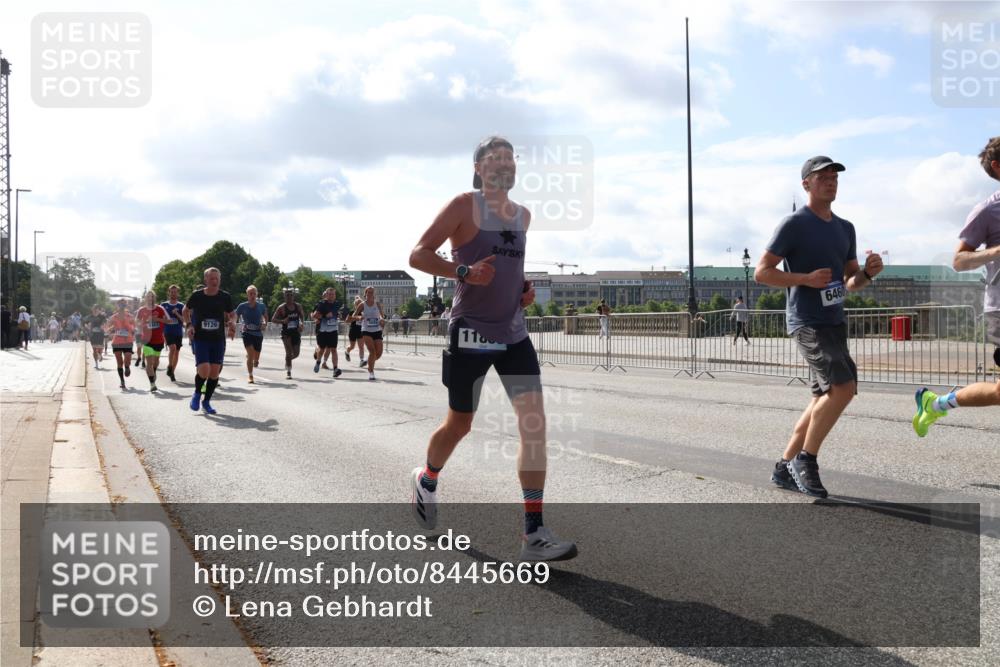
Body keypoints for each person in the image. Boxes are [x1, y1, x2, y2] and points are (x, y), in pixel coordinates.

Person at [407, 135, 577, 562]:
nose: (505, 163)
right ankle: (427, 478)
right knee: (460, 424)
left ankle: (533, 534)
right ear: (479, 168)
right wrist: (463, 271)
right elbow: (418, 255)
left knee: (534, 425)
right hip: (471, 332)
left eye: (510, 158)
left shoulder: (523, 215)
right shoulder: (463, 206)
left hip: (514, 334)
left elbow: (509, 269)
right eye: (495, 157)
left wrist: (523, 290)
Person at [755, 156, 883, 498]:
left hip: (834, 321)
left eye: (834, 176)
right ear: (806, 184)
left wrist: (867, 273)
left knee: (821, 398)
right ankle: (805, 460)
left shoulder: (845, 228)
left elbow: (850, 282)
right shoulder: (794, 224)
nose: (830, 181)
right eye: (822, 176)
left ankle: (784, 467)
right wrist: (805, 279)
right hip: (807, 321)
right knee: (843, 387)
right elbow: (762, 272)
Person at [914, 137, 1000, 435]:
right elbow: (959, 260)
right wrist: (996, 251)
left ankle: (936, 404)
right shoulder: (987, 210)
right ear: (997, 167)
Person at [183, 268, 236, 414]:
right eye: (212, 278)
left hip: (218, 339)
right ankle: (197, 393)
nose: (215, 281)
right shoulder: (197, 296)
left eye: (217, 278)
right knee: (204, 370)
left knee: (214, 373)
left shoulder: (225, 296)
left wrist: (232, 322)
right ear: (206, 279)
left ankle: (206, 401)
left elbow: (232, 314)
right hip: (201, 338)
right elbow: (185, 310)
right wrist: (189, 325)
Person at [136, 291, 169, 392]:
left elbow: (168, 320)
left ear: (154, 298)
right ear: (145, 298)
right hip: (146, 340)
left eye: (152, 297)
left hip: (158, 340)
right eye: (148, 297)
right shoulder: (141, 310)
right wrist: (144, 322)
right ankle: (152, 384)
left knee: (156, 362)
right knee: (149, 363)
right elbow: (136, 322)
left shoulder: (160, 309)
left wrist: (157, 319)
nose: (150, 298)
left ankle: (153, 372)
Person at [235, 285, 268, 383]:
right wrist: (233, 324)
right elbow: (235, 316)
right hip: (247, 332)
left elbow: (265, 316)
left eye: (254, 293)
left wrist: (264, 324)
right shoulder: (242, 306)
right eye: (250, 294)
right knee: (250, 354)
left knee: (255, 358)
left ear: (257, 294)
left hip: (258, 334)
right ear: (247, 295)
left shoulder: (261, 306)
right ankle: (250, 376)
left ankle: (256, 360)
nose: (252, 295)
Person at [272, 288, 306, 379]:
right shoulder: (281, 308)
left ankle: (287, 361)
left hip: (296, 332)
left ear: (293, 296)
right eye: (287, 295)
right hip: (286, 333)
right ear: (284, 297)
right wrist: (283, 321)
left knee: (296, 354)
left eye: (291, 295)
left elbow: (302, 316)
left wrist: (301, 324)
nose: (289, 297)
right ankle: (289, 372)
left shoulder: (298, 306)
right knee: (289, 352)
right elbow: (273, 319)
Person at [353, 286, 385, 381]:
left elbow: (381, 315)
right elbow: (354, 315)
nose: (370, 294)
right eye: (368, 292)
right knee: (372, 351)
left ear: (374, 294)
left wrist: (381, 319)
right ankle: (371, 372)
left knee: (378, 353)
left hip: (377, 330)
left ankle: (368, 361)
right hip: (366, 330)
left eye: (372, 292)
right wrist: (359, 317)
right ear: (365, 293)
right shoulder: (362, 305)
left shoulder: (377, 304)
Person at [311, 287, 343, 378]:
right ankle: (318, 362)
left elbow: (336, 313)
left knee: (334, 349)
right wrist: (324, 316)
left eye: (333, 294)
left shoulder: (337, 304)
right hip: (323, 330)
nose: (331, 296)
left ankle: (335, 369)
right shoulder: (322, 304)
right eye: (329, 294)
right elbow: (315, 315)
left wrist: (338, 315)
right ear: (326, 295)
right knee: (321, 349)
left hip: (333, 330)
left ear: (335, 295)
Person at [108, 300, 136, 390]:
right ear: (117, 305)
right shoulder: (114, 317)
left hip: (128, 341)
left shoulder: (130, 316)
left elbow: (134, 327)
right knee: (119, 362)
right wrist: (110, 330)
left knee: (127, 358)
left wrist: (129, 327)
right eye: (120, 304)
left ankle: (127, 367)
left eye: (123, 304)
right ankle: (122, 381)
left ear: (125, 305)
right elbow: (108, 326)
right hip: (117, 341)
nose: (121, 305)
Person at [161, 285, 185, 382]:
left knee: (177, 353)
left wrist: (176, 313)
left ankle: (172, 372)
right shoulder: (163, 305)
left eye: (175, 292)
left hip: (178, 332)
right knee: (172, 348)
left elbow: (184, 320)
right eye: (171, 292)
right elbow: (160, 319)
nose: (173, 294)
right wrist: (166, 320)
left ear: (178, 293)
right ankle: (170, 366)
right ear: (169, 292)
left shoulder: (181, 306)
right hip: (168, 331)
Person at [344, 296, 365, 364]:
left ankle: (362, 360)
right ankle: (347, 352)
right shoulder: (352, 312)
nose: (359, 306)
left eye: (360, 304)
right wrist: (356, 318)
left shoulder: (364, 313)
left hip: (361, 331)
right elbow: (346, 321)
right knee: (352, 346)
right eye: (357, 304)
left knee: (361, 347)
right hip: (353, 331)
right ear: (355, 305)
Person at [84, 304, 107, 369]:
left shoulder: (102, 317)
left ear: (99, 310)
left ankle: (100, 355)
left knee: (100, 348)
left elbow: (105, 322)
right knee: (94, 349)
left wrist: (103, 326)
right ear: (92, 309)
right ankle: (96, 364)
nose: (95, 310)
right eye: (94, 309)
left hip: (100, 334)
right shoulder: (90, 317)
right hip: (93, 334)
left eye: (97, 309)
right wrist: (87, 326)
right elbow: (85, 323)